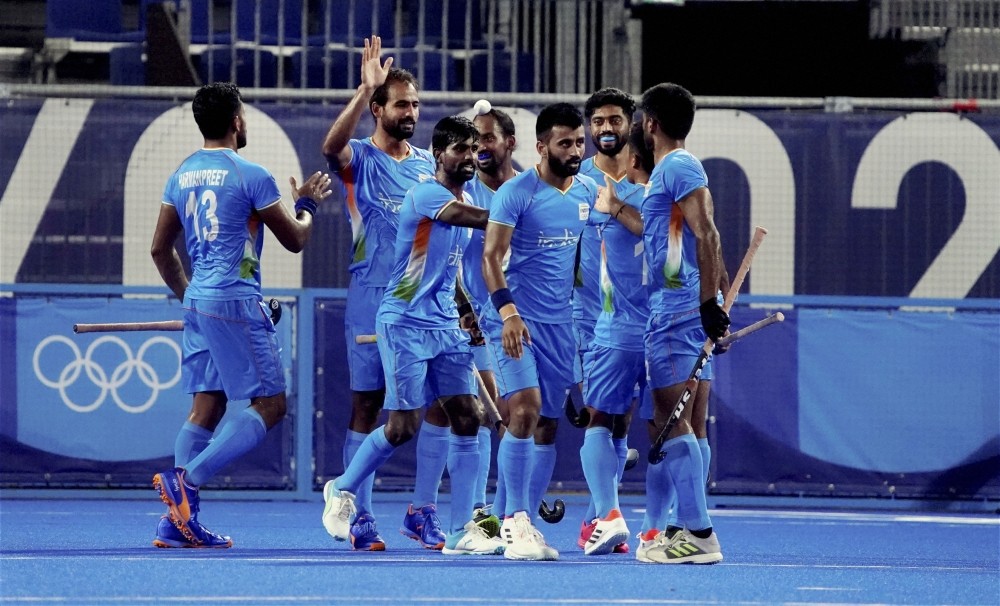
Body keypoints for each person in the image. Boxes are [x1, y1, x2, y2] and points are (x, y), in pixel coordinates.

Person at [150, 82, 331, 548]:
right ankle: (187, 480)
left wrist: (192, 299)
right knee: (271, 405)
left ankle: (176, 523)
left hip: (199, 302)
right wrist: (307, 204)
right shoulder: (250, 174)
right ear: (235, 121)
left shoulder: (181, 174)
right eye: (244, 115)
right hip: (234, 300)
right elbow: (295, 238)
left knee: (205, 407)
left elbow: (159, 250)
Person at [321, 116, 503, 556]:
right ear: (439, 155)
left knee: (468, 416)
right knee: (402, 427)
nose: (467, 157)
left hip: (444, 324)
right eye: (458, 149)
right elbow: (477, 218)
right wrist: (523, 209)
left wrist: (465, 310)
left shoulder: (465, 194)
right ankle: (342, 489)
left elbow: (449, 266)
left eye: (472, 149)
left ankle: (462, 528)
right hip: (402, 321)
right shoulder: (425, 192)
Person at [320, 36, 450, 551]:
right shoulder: (361, 161)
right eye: (401, 104)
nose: (412, 112)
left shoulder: (427, 165)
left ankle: (422, 511)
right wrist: (362, 89)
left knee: (440, 403)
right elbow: (331, 149)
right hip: (372, 296)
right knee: (369, 405)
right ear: (378, 109)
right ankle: (360, 515)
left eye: (416, 104)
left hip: (428, 301)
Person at [481, 103, 597, 561]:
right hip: (514, 323)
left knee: (547, 426)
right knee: (523, 414)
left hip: (562, 328)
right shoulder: (517, 193)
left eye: (578, 142)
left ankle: (513, 518)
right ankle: (514, 523)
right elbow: (491, 258)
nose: (574, 150)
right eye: (564, 143)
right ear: (542, 145)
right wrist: (508, 313)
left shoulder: (589, 191)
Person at [635, 82, 729, 564]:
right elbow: (708, 240)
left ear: (650, 123)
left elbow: (706, 231)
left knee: (668, 422)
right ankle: (682, 525)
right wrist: (716, 308)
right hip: (681, 308)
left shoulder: (678, 165)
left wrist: (708, 303)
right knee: (688, 423)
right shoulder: (668, 172)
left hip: (675, 311)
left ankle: (698, 533)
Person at [578, 117, 653, 556]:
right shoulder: (678, 195)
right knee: (675, 430)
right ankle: (662, 527)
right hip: (665, 331)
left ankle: (606, 515)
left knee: (600, 421)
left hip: (616, 330)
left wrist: (612, 206)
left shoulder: (613, 200)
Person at [461, 106, 518, 533]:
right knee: (480, 412)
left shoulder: (529, 190)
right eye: (474, 140)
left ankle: (511, 509)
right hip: (473, 322)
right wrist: (460, 306)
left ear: (508, 143)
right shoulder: (463, 193)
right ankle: (480, 512)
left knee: (519, 415)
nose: (480, 147)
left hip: (520, 325)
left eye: (487, 138)